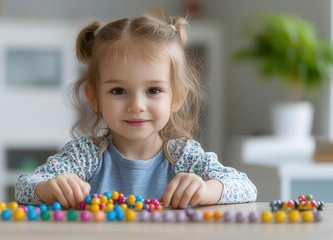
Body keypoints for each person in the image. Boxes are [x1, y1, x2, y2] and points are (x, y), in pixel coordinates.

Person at [15, 13, 257, 209]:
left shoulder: (185, 156)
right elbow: (25, 185)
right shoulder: (84, 156)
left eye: (153, 90)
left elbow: (246, 187)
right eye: (119, 91)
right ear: (94, 97)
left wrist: (206, 190)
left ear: (177, 98)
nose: (136, 105)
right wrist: (49, 188)